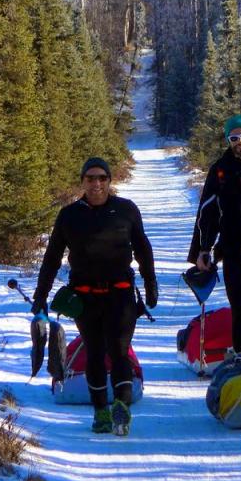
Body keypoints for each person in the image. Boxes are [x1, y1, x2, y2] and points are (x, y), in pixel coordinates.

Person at [33, 157, 157, 436]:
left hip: (121, 295)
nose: (96, 183)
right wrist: (41, 295)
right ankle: (101, 411)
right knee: (95, 353)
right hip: (85, 297)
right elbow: (52, 257)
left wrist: (151, 284)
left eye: (102, 178)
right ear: (82, 181)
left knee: (119, 350)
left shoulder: (126, 210)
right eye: (90, 178)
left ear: (110, 180)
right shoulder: (69, 215)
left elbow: (143, 248)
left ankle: (122, 409)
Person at [187, 114, 241, 356]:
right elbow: (207, 212)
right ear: (228, 141)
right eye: (233, 137)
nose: (240, 141)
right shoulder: (220, 170)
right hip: (233, 247)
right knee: (239, 307)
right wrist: (203, 250)